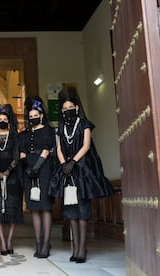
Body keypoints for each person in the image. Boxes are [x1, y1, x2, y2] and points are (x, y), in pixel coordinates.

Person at [49, 87, 114, 263]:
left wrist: (73, 162)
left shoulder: (84, 123)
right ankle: (75, 248)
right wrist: (64, 164)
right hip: (66, 171)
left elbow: (86, 146)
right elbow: (59, 148)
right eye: (64, 108)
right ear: (62, 110)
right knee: (70, 212)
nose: (67, 110)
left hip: (82, 170)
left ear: (76, 107)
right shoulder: (61, 127)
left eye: (70, 107)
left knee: (83, 212)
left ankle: (82, 249)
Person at [19, 96, 55, 258]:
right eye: (30, 116)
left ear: (41, 115)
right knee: (33, 208)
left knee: (45, 207)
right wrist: (28, 166)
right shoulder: (24, 134)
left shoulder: (48, 130)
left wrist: (37, 167)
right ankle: (38, 242)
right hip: (28, 170)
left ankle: (46, 243)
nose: (33, 118)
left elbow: (47, 149)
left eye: (36, 116)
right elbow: (21, 152)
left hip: (44, 168)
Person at [0, 104, 24, 256]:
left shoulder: (14, 135)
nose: (2, 121)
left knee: (12, 209)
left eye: (4, 119)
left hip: (12, 176)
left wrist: (8, 171)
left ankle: (9, 240)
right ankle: (2, 242)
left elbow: (16, 156)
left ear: (9, 121)